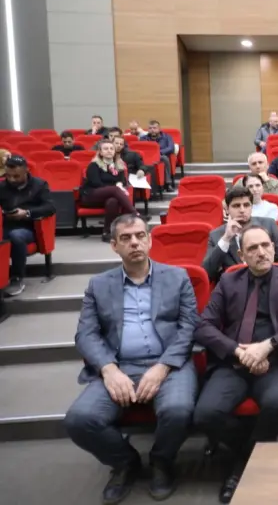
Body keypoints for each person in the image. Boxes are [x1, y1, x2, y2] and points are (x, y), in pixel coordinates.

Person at [64, 214, 199, 504]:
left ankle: (162, 461)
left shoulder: (177, 277)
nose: (134, 242)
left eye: (140, 235)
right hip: (119, 365)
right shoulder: (98, 285)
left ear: (150, 240)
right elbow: (86, 334)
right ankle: (125, 462)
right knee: (80, 419)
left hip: (169, 363)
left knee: (178, 409)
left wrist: (162, 367)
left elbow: (189, 327)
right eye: (126, 238)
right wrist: (109, 369)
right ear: (114, 246)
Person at [194, 225, 278, 504]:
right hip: (233, 362)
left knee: (277, 403)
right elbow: (204, 326)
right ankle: (252, 452)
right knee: (205, 414)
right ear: (241, 255)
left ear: (274, 247)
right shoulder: (229, 281)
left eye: (265, 245)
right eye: (252, 248)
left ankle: (240, 466)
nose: (261, 252)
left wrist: (268, 346)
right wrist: (238, 352)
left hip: (276, 362)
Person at [203, 187, 278, 282]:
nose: (242, 210)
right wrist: (226, 238)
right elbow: (207, 272)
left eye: (246, 205)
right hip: (234, 286)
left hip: (269, 281)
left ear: (251, 207)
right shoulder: (216, 235)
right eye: (236, 206)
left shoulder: (269, 225)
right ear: (227, 209)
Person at [0, 155, 56, 295]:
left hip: (29, 227)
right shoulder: (2, 186)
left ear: (26, 171)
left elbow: (50, 208)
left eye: (16, 176)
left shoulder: (39, 185)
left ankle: (16, 278)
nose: (12, 180)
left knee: (15, 235)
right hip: (5, 224)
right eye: (8, 176)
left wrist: (27, 213)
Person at [80, 140, 139, 242]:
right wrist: (114, 187)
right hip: (91, 195)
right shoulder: (94, 165)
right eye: (106, 149)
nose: (109, 151)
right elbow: (96, 183)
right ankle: (135, 213)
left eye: (111, 148)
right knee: (115, 189)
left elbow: (122, 181)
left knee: (113, 201)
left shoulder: (119, 166)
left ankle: (107, 232)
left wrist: (119, 184)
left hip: (109, 196)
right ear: (100, 152)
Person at [139, 120, 175, 192]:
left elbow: (171, 148)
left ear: (159, 129)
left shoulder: (167, 137)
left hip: (160, 157)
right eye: (150, 128)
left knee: (164, 158)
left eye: (154, 128)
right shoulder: (143, 138)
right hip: (147, 157)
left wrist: (158, 153)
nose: (152, 130)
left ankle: (167, 184)